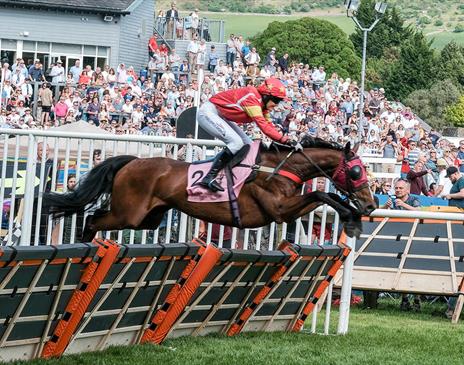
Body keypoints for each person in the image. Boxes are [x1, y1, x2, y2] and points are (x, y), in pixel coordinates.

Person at [197, 78, 302, 192]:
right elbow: (264, 127)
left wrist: (287, 139)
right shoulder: (252, 98)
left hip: (219, 114)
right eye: (276, 100)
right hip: (208, 112)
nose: (277, 104)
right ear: (266, 96)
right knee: (236, 143)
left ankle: (230, 172)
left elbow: (269, 124)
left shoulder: (262, 105)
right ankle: (209, 176)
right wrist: (285, 140)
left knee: (250, 145)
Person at [384, 179, 422, 311]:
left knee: (414, 268)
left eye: (400, 188)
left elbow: (419, 211)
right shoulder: (392, 200)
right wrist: (385, 208)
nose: (398, 190)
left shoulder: (414, 199)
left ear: (407, 190)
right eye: (396, 188)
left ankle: (417, 299)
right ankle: (404, 299)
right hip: (398, 238)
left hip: (414, 238)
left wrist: (403, 205)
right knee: (400, 268)